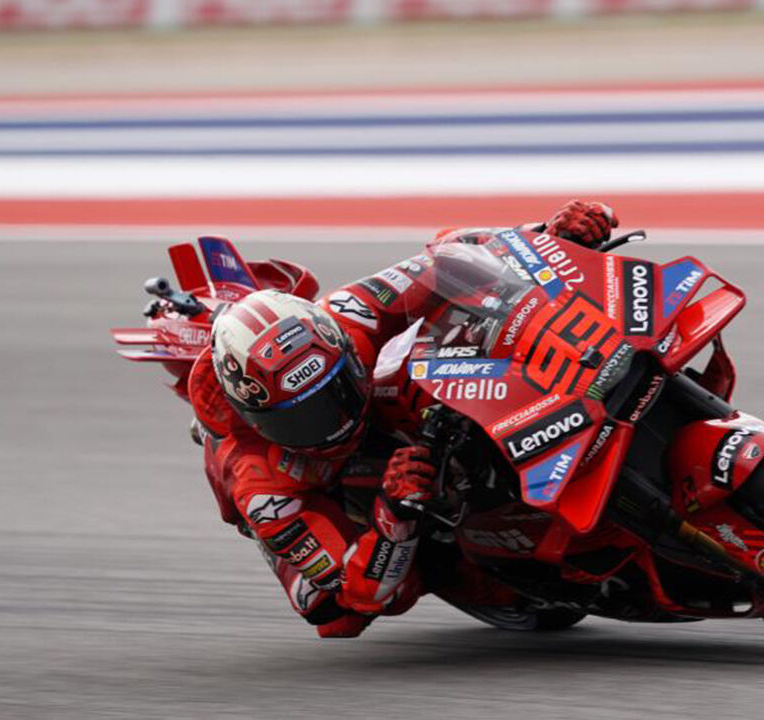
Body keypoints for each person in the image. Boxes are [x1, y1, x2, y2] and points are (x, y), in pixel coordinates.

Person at [188, 200, 618, 638]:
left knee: (459, 327)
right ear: (254, 418)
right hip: (323, 494)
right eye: (301, 417)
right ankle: (469, 568)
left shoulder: (348, 314)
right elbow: (359, 592)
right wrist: (393, 515)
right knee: (334, 611)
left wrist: (546, 236)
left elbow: (449, 258)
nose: (333, 422)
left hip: (385, 405)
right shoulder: (258, 482)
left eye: (335, 391)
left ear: (341, 346)